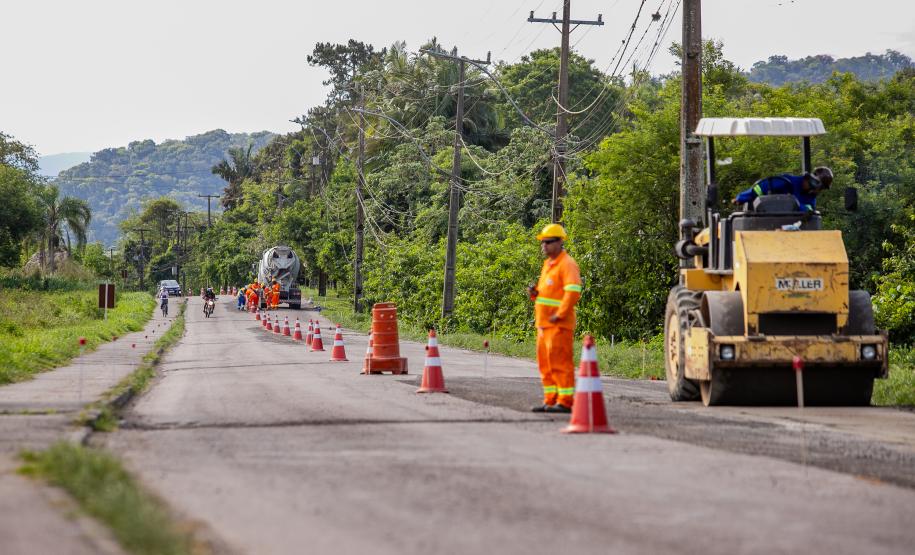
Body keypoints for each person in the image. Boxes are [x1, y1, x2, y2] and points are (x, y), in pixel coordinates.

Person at [526, 223, 583, 414]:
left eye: (549, 242)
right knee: (546, 364)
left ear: (560, 242)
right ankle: (550, 400)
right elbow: (547, 294)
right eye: (543, 242)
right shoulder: (548, 265)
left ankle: (565, 401)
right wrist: (534, 294)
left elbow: (573, 292)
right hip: (544, 325)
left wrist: (560, 315)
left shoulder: (567, 264)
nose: (544, 246)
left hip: (559, 325)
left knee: (560, 363)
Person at [732, 166, 833, 212]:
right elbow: (759, 188)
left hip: (790, 229)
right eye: (820, 188)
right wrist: (741, 198)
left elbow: (809, 211)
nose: (819, 191)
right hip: (763, 221)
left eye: (822, 189)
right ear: (812, 181)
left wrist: (796, 205)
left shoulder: (811, 198)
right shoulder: (786, 181)